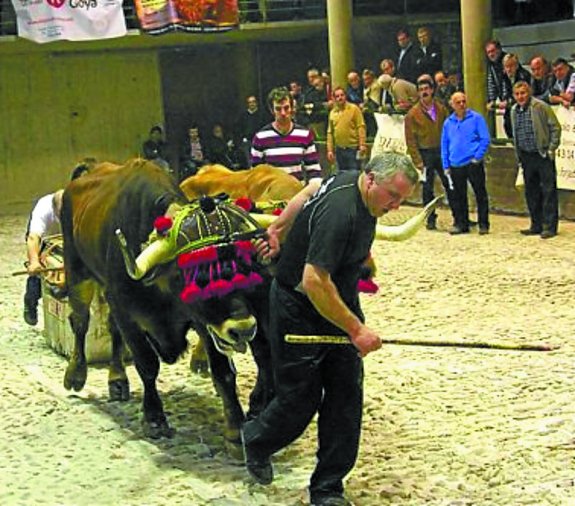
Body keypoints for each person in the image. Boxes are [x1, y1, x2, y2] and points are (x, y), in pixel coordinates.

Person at [241, 152, 419, 506]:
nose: (396, 207)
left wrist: (278, 227)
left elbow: (309, 188)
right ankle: (257, 440)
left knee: (346, 397)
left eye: (402, 199)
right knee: (299, 399)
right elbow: (314, 281)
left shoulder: (351, 181)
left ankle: (328, 488)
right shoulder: (342, 214)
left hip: (339, 296)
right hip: (298, 305)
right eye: (392, 196)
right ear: (371, 180)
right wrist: (356, 330)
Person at [23, 161, 93, 326]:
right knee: (39, 270)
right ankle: (30, 302)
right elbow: (33, 238)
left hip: (68, 238)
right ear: (55, 211)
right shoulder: (43, 209)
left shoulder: (77, 204)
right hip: (46, 239)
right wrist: (34, 261)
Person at [510, 81, 561, 238]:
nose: (521, 97)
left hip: (542, 154)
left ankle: (550, 226)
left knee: (548, 191)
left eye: (523, 93)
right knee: (531, 192)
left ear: (529, 92)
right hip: (526, 155)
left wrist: (551, 148)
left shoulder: (540, 106)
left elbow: (555, 127)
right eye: (517, 94)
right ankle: (536, 224)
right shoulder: (513, 110)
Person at [404, 76, 455, 230]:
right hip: (425, 154)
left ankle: (458, 215)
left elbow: (449, 130)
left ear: (432, 90)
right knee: (427, 188)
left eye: (426, 89)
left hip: (441, 152)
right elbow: (410, 139)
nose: (424, 92)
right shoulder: (412, 114)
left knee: (450, 184)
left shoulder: (441, 109)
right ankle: (430, 218)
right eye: (421, 90)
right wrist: (417, 161)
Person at [441, 92, 491, 235]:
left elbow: (485, 139)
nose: (462, 104)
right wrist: (446, 165)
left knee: (480, 193)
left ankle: (483, 224)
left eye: (463, 101)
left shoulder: (476, 118)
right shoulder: (448, 123)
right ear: (452, 104)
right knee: (459, 196)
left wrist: (478, 157)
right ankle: (462, 223)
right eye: (458, 102)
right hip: (455, 164)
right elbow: (444, 144)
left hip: (472, 162)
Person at [250, 86, 322, 182]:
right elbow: (255, 175)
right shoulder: (260, 138)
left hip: (298, 193)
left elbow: (314, 171)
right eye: (278, 109)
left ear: (292, 108)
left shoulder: (305, 135)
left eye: (286, 108)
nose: (283, 113)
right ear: (272, 111)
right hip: (272, 194)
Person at [326, 87, 367, 172]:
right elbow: (330, 133)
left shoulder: (354, 109)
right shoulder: (332, 113)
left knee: (355, 174)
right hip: (339, 150)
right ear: (334, 99)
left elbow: (361, 127)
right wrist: (330, 150)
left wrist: (362, 144)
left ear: (345, 96)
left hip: (353, 149)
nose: (340, 98)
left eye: (342, 95)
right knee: (342, 175)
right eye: (337, 96)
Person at [500, 53, 532, 138]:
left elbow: (525, 94)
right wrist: (505, 100)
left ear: (517, 66)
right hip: (510, 108)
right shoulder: (504, 76)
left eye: (511, 66)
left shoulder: (524, 75)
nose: (508, 69)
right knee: (507, 124)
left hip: (524, 108)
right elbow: (505, 92)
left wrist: (509, 101)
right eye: (506, 66)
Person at [234, 95, 268, 168]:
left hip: (260, 142)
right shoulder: (243, 116)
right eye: (250, 102)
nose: (252, 104)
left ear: (256, 103)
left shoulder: (262, 115)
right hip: (248, 142)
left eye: (253, 102)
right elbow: (238, 129)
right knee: (250, 162)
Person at [485, 39, 508, 134]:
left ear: (499, 50)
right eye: (488, 52)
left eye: (492, 51)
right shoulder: (492, 65)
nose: (490, 54)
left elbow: (506, 80)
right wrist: (492, 99)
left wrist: (506, 98)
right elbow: (491, 82)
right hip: (504, 98)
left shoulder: (506, 60)